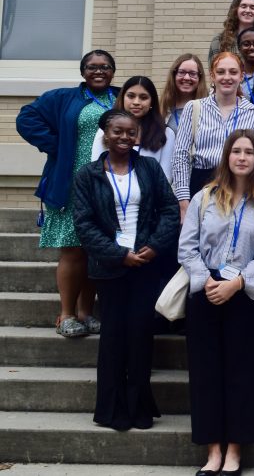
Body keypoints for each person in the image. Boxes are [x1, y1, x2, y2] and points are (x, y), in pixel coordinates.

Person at [71, 109, 179, 431]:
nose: (124, 137)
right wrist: (120, 255)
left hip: (145, 263)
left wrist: (155, 246)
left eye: (130, 132)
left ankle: (140, 407)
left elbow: (170, 210)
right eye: (117, 131)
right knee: (114, 337)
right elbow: (84, 225)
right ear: (105, 132)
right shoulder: (87, 175)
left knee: (141, 336)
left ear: (138, 136)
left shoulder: (149, 167)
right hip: (110, 267)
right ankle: (112, 409)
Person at [178, 130, 254, 476]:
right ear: (227, 156)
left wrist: (236, 283)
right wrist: (207, 280)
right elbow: (186, 247)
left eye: (249, 152)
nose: (242, 157)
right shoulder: (205, 197)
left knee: (240, 373)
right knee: (206, 373)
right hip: (205, 290)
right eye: (236, 151)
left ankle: (234, 451)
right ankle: (213, 451)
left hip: (243, 294)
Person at [17, 49, 119, 338]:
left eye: (105, 66)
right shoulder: (65, 98)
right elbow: (26, 118)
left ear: (113, 70)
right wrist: (57, 146)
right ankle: (66, 314)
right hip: (71, 185)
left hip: (109, 186)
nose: (98, 71)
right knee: (73, 249)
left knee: (95, 250)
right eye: (92, 67)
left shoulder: (120, 96)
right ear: (82, 71)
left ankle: (87, 313)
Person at [172, 52, 254, 216]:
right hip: (201, 182)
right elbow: (181, 155)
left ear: (242, 76)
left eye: (233, 72)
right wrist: (183, 201)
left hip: (240, 184)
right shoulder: (194, 108)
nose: (227, 77)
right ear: (212, 76)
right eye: (221, 72)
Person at [91, 76, 176, 180]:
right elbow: (95, 170)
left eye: (143, 97)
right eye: (131, 96)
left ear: (152, 102)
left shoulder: (166, 133)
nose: (136, 102)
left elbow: (165, 177)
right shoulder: (104, 129)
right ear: (122, 98)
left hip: (152, 195)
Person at [209, 0, 254, 66]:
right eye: (243, 6)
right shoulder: (219, 40)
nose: (248, 10)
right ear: (236, 10)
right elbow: (214, 71)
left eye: (252, 7)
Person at [162, 54, 208, 135]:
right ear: (174, 75)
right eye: (181, 72)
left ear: (199, 77)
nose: (186, 78)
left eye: (192, 73)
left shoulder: (209, 108)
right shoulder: (164, 108)